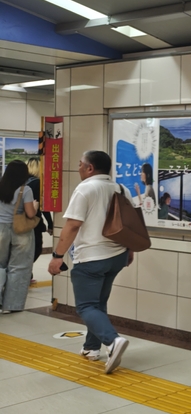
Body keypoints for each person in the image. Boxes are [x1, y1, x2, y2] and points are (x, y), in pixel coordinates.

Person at [48, 150, 131, 373]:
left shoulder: (85, 188)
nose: (78, 168)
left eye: (80, 165)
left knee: (85, 306)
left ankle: (113, 342)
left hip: (92, 258)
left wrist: (57, 257)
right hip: (117, 256)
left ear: (90, 168)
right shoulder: (121, 189)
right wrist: (129, 250)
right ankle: (91, 348)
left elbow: (73, 225)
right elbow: (129, 224)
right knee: (98, 303)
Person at [0, 160, 39, 314]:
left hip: (0, 229)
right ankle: (12, 305)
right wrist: (35, 207)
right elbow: (30, 214)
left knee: (0, 266)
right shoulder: (25, 189)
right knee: (19, 267)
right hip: (20, 230)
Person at [25, 158, 54, 268]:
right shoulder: (37, 183)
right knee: (36, 249)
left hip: (18, 222)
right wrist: (50, 224)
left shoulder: (21, 182)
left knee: (23, 251)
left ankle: (26, 274)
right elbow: (43, 207)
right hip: (33, 222)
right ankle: (25, 273)